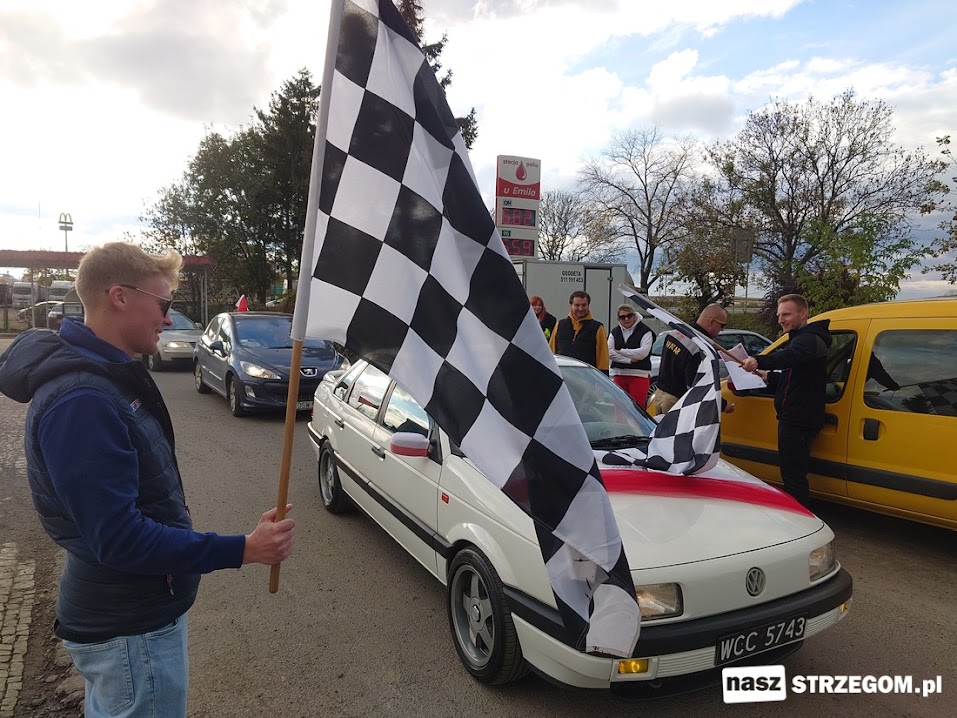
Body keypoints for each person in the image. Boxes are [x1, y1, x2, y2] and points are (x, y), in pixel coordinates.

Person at [0, 243, 295, 718]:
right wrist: (244, 548)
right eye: (163, 304)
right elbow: (120, 538)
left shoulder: (103, 379)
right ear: (119, 297)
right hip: (129, 631)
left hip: (130, 621)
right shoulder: (84, 400)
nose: (168, 318)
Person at [741, 294, 832, 508]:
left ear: (803, 313)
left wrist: (758, 360)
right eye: (779, 315)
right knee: (792, 473)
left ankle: (799, 518)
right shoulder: (801, 338)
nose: (781, 320)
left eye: (787, 314)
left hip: (799, 419)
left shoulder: (808, 340)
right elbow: (797, 377)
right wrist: (769, 377)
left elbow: (786, 357)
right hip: (796, 416)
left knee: (793, 477)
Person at [651, 303, 735, 416]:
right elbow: (698, 386)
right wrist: (723, 405)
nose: (722, 330)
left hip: (659, 396)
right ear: (711, 322)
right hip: (676, 402)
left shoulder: (674, 333)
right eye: (722, 325)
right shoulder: (700, 348)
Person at [549, 290, 610, 372]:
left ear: (588, 306)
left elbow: (603, 357)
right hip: (563, 375)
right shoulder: (559, 325)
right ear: (571, 305)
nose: (580, 309)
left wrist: (603, 375)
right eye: (577, 305)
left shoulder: (597, 328)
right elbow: (551, 352)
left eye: (584, 305)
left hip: (586, 376)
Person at [607, 303, 654, 407]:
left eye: (629, 316)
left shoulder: (646, 331)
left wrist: (621, 351)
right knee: (619, 409)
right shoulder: (614, 332)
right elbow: (609, 353)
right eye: (622, 317)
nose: (626, 319)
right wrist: (629, 360)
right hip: (619, 374)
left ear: (634, 316)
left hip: (639, 375)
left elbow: (643, 353)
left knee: (637, 408)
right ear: (618, 319)